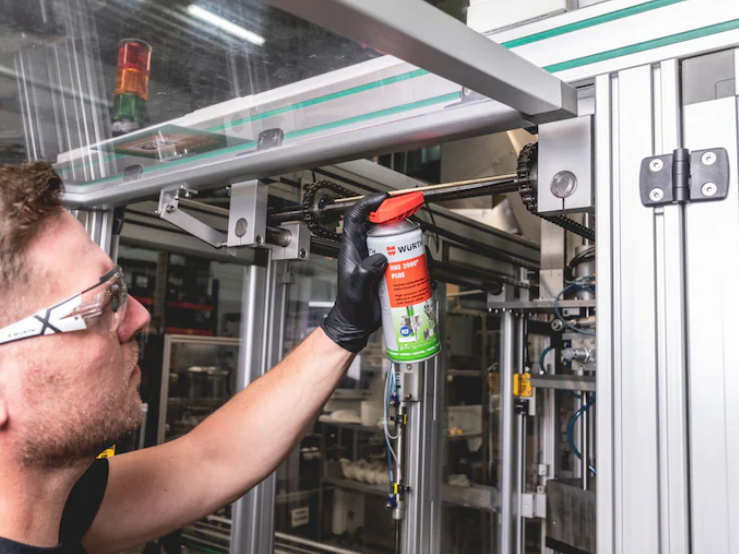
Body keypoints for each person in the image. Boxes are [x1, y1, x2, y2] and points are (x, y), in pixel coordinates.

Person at [0, 162, 389, 554]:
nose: (140, 316)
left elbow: (208, 460)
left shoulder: (65, 509)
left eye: (117, 288)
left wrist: (342, 330)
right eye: (99, 304)